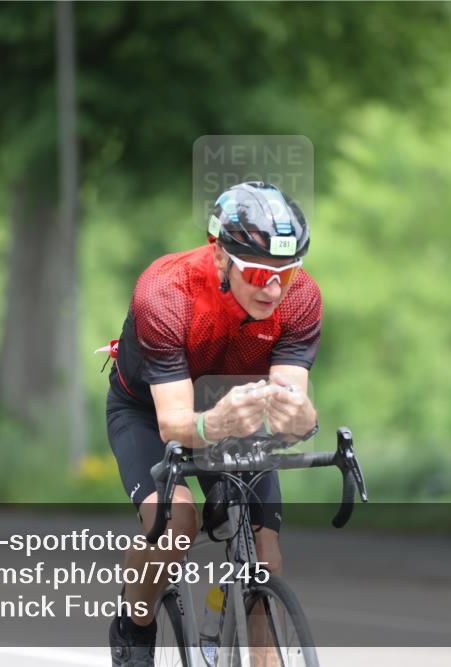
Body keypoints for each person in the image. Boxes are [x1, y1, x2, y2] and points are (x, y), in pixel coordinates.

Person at [105, 181, 322, 665]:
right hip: (149, 410)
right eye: (259, 272)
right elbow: (175, 423)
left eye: (285, 275)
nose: (273, 289)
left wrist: (302, 417)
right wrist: (214, 425)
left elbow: (293, 399)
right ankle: (133, 626)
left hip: (233, 406)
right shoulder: (165, 291)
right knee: (178, 521)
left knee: (265, 558)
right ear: (221, 257)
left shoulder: (300, 298)